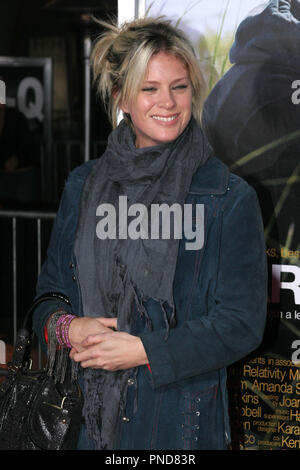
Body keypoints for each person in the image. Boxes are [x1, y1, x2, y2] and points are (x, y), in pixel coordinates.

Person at [33, 17, 268, 451]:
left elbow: (242, 323)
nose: (169, 102)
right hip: (86, 424)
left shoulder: (227, 198)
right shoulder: (83, 188)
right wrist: (68, 328)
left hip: (182, 428)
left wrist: (144, 351)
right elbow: (49, 296)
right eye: (150, 88)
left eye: (179, 86)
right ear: (122, 97)